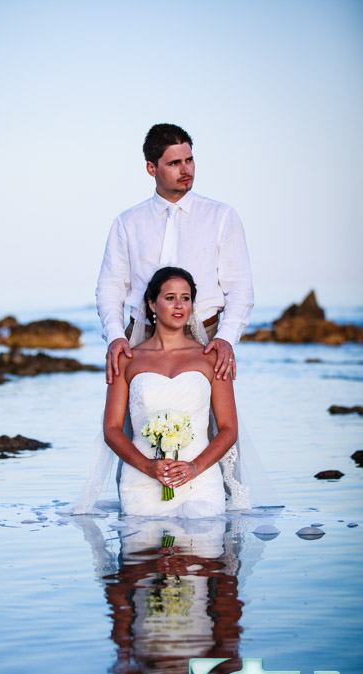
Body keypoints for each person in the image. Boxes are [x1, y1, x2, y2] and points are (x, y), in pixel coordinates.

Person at [96, 123, 254, 385]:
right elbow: (110, 286)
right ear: (151, 168)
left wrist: (225, 337)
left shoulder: (222, 216)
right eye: (174, 163)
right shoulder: (127, 222)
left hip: (205, 336)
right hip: (141, 336)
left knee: (208, 423)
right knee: (134, 421)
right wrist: (115, 336)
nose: (186, 170)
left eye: (189, 160)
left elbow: (240, 287)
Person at [103, 267, 239, 518]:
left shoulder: (212, 358)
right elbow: (111, 430)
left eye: (185, 298)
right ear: (152, 304)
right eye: (170, 298)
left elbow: (229, 429)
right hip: (142, 481)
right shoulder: (127, 360)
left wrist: (194, 468)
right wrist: (148, 466)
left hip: (199, 482)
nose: (179, 305)